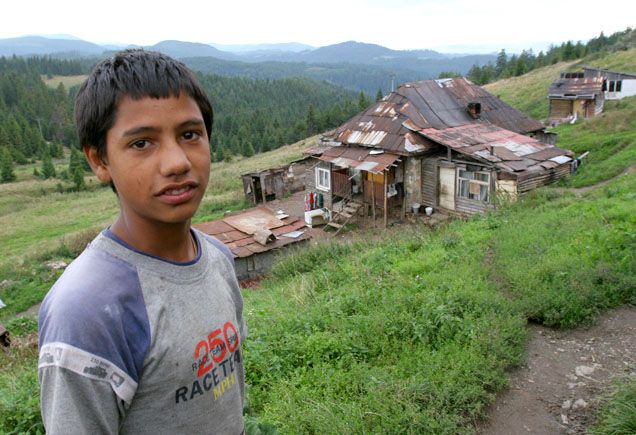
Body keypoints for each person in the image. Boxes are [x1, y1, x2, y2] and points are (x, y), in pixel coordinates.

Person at [38, 49, 246, 434]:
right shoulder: (87, 310)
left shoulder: (217, 258)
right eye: (141, 143)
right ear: (99, 161)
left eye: (189, 135)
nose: (176, 162)